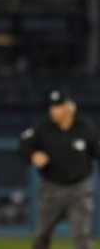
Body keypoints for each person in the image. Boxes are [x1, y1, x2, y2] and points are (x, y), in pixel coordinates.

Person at [19, 90, 100, 249]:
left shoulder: (85, 127)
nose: (54, 110)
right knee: (42, 235)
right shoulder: (43, 128)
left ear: (69, 108)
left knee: (82, 236)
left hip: (80, 189)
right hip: (52, 188)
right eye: (52, 107)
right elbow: (24, 144)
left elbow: (97, 150)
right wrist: (33, 154)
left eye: (58, 106)